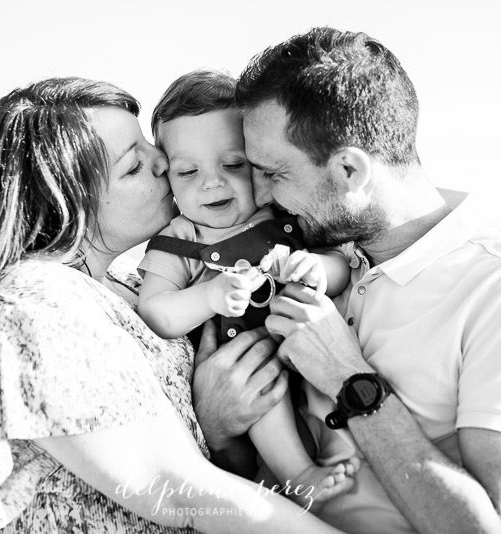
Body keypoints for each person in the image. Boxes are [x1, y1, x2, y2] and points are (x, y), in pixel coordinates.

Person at [0, 76, 346, 533]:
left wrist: (215, 427)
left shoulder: (121, 290)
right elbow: (181, 491)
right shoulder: (33, 306)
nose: (163, 162)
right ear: (70, 200)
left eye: (149, 147)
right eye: (133, 166)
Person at [196, 27, 501, 533]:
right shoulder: (305, 260)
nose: (261, 195)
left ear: (350, 169)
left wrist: (349, 379)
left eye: (275, 173)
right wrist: (220, 433)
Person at [137, 69, 355, 510]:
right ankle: (299, 473)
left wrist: (317, 268)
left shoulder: (284, 213)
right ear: (169, 178)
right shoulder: (180, 240)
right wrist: (208, 297)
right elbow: (155, 311)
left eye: (233, 165)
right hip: (244, 362)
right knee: (263, 393)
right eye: (187, 171)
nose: (210, 182)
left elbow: (343, 267)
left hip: (311, 352)